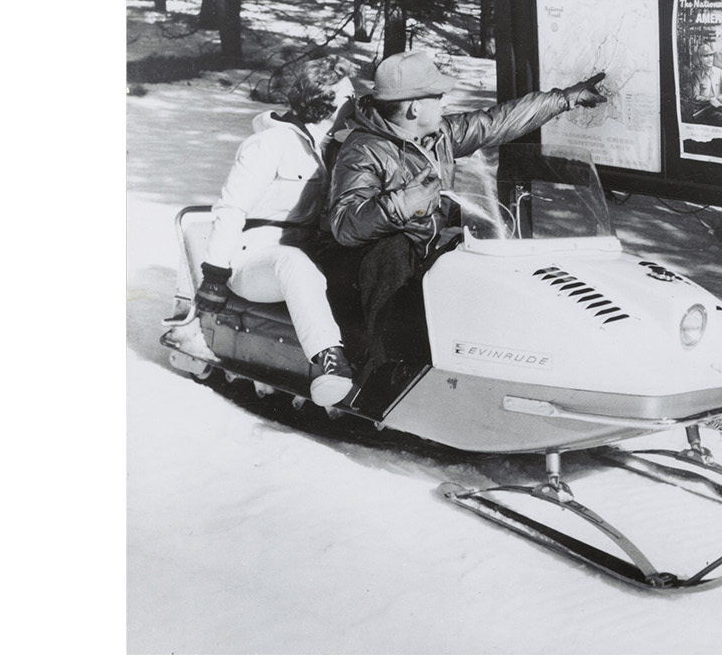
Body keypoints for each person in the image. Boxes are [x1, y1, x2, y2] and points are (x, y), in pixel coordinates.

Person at [327, 51, 606, 373]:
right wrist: (403, 204)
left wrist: (565, 99)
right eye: (437, 97)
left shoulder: (438, 135)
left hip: (424, 255)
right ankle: (386, 371)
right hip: (378, 276)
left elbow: (496, 122)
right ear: (414, 108)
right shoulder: (363, 150)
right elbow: (344, 224)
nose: (444, 103)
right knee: (391, 249)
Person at [167, 55, 360, 407]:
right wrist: (214, 274)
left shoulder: (326, 148)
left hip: (301, 254)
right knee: (292, 262)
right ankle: (329, 361)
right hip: (253, 262)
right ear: (324, 99)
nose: (355, 104)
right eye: (349, 97)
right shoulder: (270, 143)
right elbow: (231, 208)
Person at [687, 43, 722, 125]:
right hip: (703, 110)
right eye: (706, 56)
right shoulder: (696, 75)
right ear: (700, 58)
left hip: (718, 106)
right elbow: (695, 97)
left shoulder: (719, 72)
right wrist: (709, 100)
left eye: (711, 55)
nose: (709, 59)